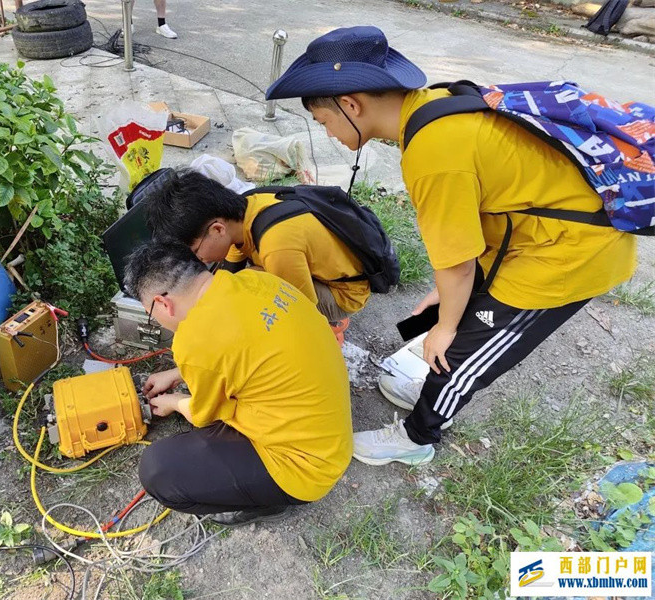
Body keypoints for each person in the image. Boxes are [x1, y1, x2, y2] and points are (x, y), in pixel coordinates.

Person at [264, 26, 636, 466]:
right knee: (431, 314)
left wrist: (446, 325)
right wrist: (445, 301)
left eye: (323, 122)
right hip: (526, 235)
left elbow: (457, 266)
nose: (328, 134)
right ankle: (427, 367)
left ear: (350, 105)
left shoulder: (432, 154)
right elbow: (472, 230)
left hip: (568, 257)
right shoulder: (434, 103)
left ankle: (416, 437)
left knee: (461, 355)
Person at [124, 241, 352, 526]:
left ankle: (265, 503)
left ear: (162, 304)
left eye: (150, 314)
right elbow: (243, 348)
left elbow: (201, 415)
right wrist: (176, 373)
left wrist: (171, 402)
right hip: (331, 442)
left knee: (157, 470)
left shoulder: (193, 341)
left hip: (303, 470)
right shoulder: (256, 279)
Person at [144, 169, 371, 343]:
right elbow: (231, 263)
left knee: (251, 291)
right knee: (237, 283)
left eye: (196, 252)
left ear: (217, 230)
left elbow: (302, 312)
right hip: (322, 272)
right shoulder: (244, 208)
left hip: (344, 294)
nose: (200, 260)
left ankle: (332, 329)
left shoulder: (277, 245)